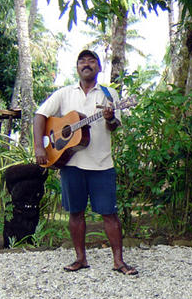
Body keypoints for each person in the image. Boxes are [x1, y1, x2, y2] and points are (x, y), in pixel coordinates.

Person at [33, 50, 137, 275]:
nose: (86, 64)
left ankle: (118, 261)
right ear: (77, 68)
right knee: (75, 213)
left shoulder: (109, 95)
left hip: (101, 163)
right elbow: (40, 115)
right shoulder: (64, 94)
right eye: (82, 61)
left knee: (109, 213)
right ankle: (80, 259)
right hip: (70, 163)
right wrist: (40, 147)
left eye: (91, 61)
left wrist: (110, 118)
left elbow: (114, 126)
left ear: (99, 68)